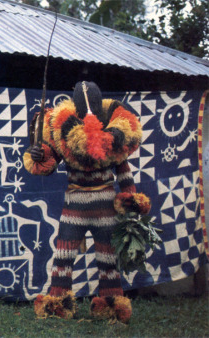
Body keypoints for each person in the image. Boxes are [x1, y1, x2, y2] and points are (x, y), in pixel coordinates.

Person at [23, 81, 151, 323]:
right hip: (74, 208)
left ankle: (111, 305)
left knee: (108, 258)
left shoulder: (115, 134)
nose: (90, 111)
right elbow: (49, 162)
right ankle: (58, 304)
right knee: (63, 255)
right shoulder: (64, 134)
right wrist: (38, 155)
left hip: (105, 209)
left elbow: (123, 169)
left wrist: (131, 197)